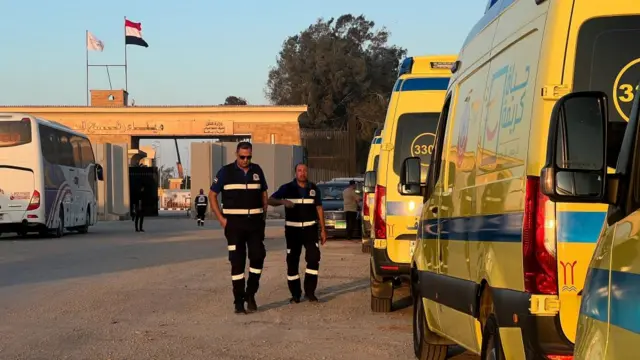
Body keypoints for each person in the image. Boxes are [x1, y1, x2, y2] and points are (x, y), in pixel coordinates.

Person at [209, 142, 268, 314]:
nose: (245, 160)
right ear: (236, 154)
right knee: (237, 262)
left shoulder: (257, 170)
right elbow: (212, 194)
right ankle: (238, 301)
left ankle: (251, 293)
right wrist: (221, 219)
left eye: (249, 157)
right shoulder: (225, 172)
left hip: (255, 223)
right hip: (234, 225)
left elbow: (264, 191)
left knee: (258, 257)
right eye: (242, 157)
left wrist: (264, 213)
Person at [268, 163, 327, 303]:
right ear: (295, 173)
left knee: (314, 259)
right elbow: (270, 200)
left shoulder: (313, 188)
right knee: (292, 262)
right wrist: (283, 201)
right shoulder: (287, 188)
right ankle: (295, 294)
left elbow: (319, 208)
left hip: (310, 229)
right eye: (299, 170)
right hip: (293, 231)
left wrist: (323, 230)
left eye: (305, 170)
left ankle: (310, 292)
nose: (302, 173)